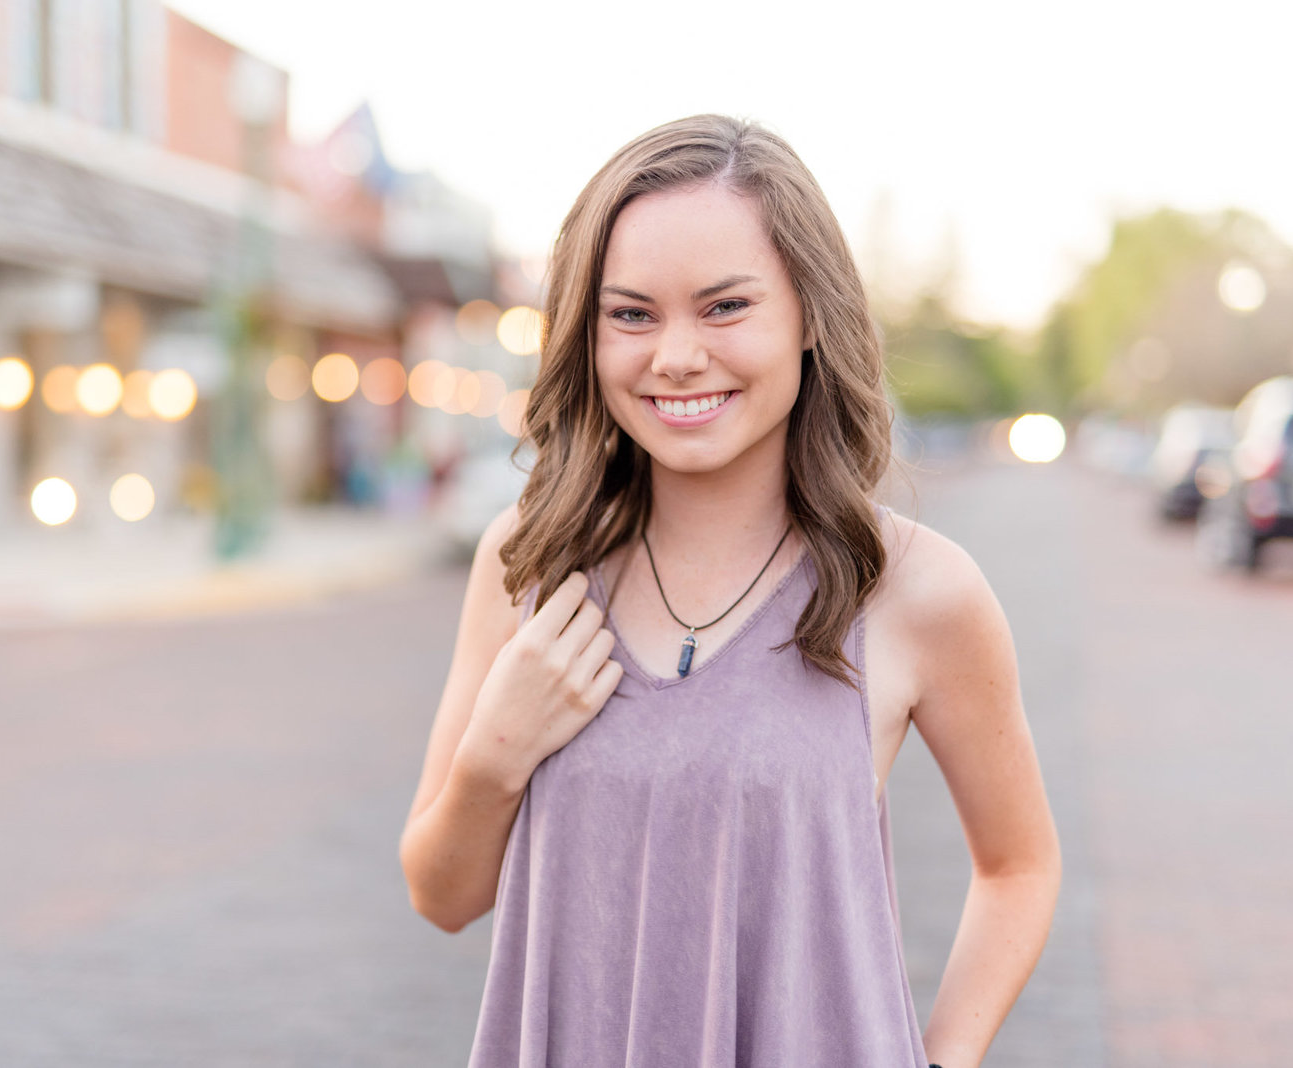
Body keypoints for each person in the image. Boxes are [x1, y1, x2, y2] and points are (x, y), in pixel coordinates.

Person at [399, 114, 1061, 1067]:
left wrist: (940, 1060)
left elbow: (1020, 867)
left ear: (808, 318)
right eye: (631, 314)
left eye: (724, 307)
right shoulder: (530, 565)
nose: (674, 355)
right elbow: (442, 894)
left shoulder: (918, 590)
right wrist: (497, 751)